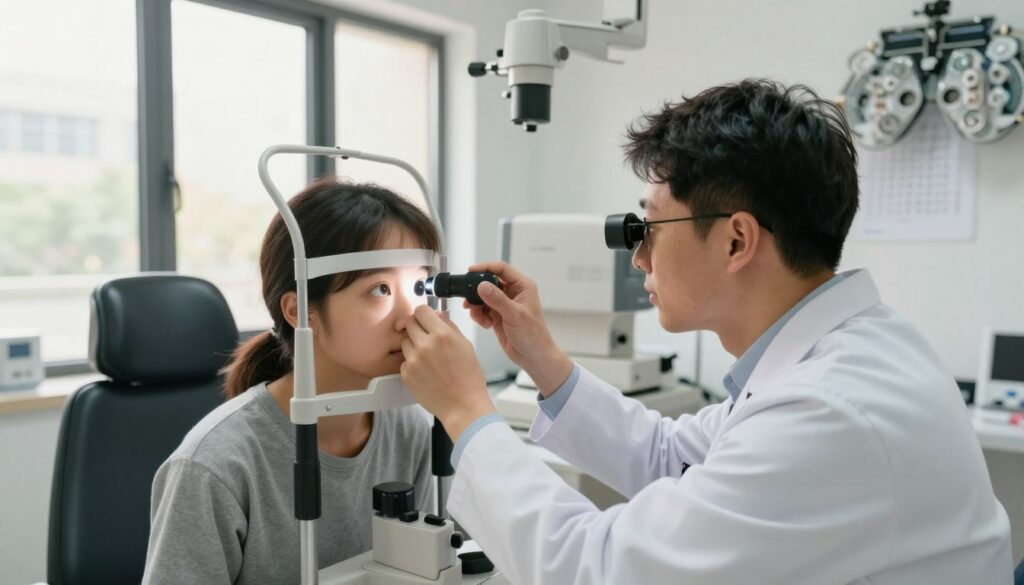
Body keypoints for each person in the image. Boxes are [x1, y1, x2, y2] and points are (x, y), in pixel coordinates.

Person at [398, 80, 1013, 584]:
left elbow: (598, 570)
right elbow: (673, 457)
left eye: (650, 228)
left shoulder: (828, 413)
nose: (638, 258)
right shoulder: (852, 349)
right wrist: (541, 358)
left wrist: (467, 414)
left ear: (736, 240)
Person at [142, 178, 438, 584]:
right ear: (300, 311)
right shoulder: (215, 467)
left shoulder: (412, 430)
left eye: (420, 286)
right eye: (381, 289)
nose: (413, 316)